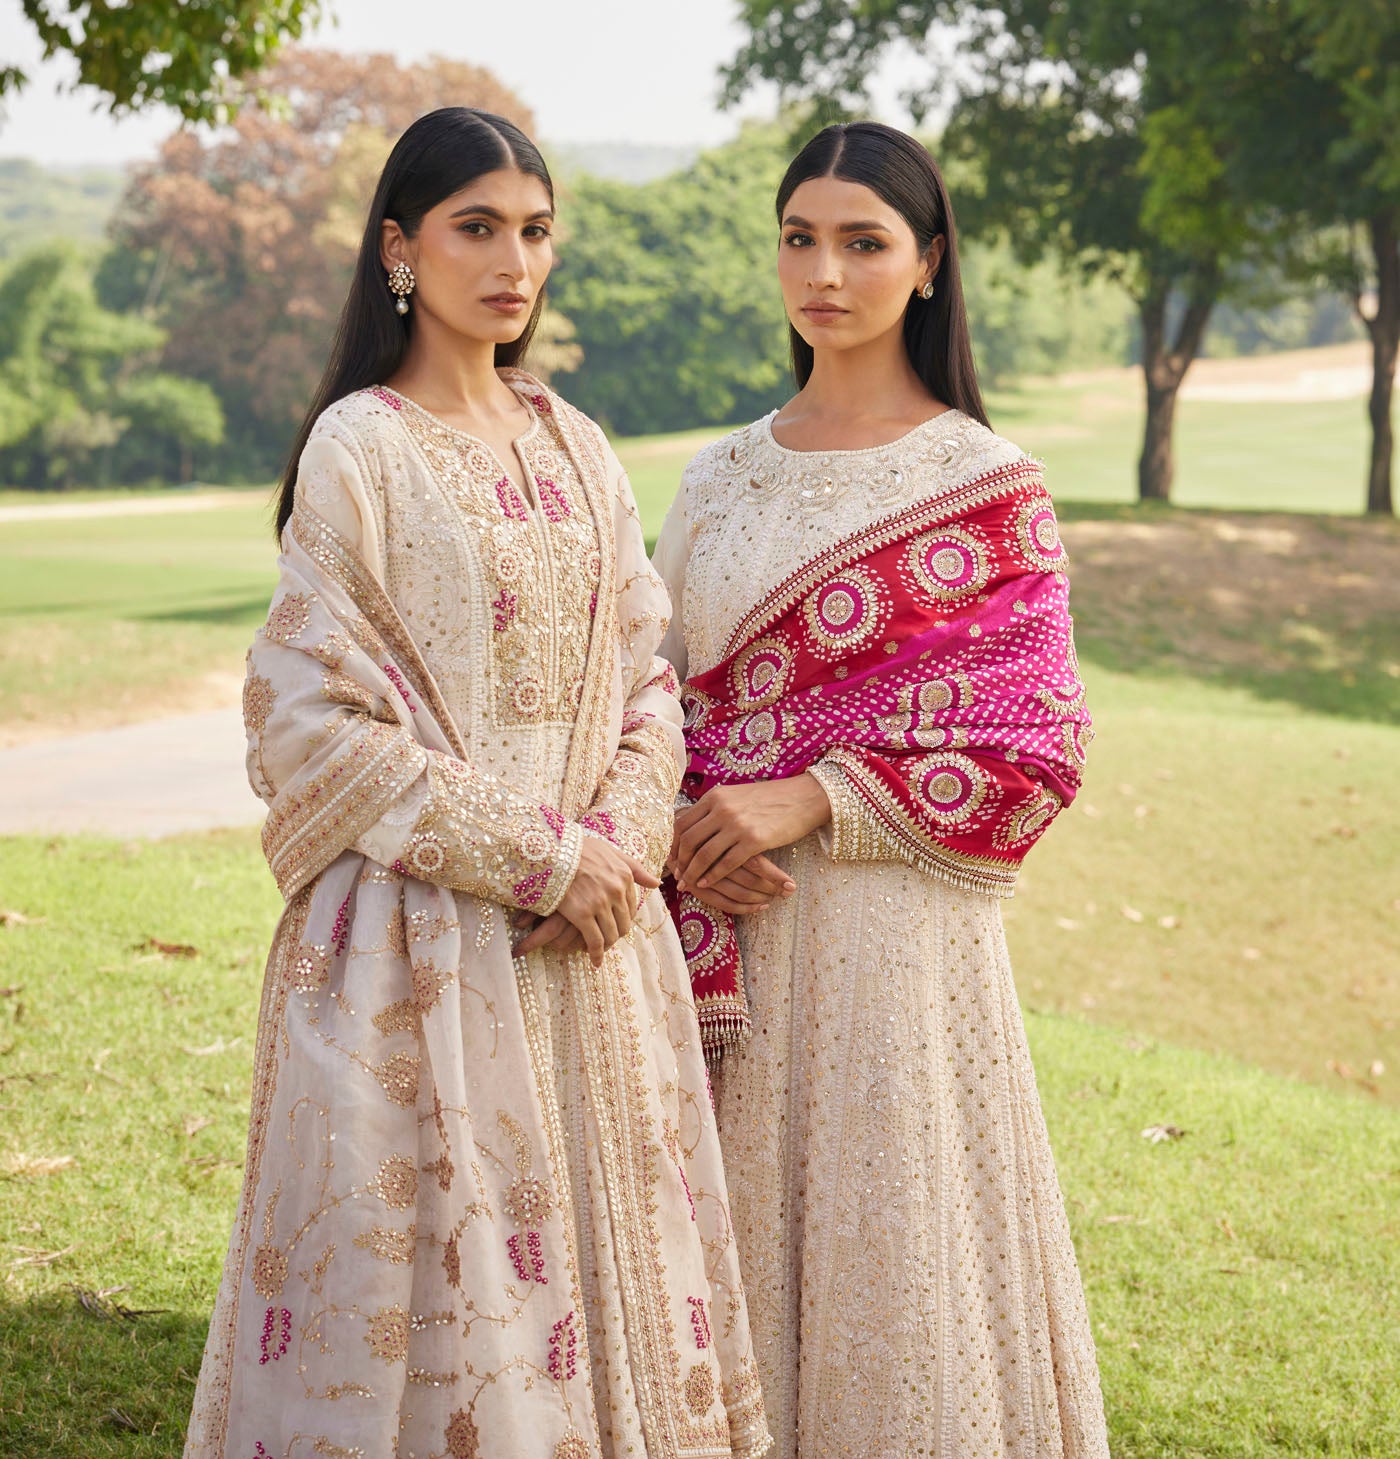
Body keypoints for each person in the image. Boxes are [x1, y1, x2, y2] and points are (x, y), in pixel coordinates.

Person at [186, 108, 769, 1459]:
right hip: (421, 948)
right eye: (478, 228)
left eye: (536, 231)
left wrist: (618, 848)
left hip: (597, 946)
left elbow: (647, 674)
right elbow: (308, 720)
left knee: (612, 1293)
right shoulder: (360, 447)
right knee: (439, 1310)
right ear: (400, 247)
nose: (515, 262)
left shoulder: (579, 444)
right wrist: (540, 859)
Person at [653, 121, 1109, 1459]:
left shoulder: (984, 483)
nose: (825, 273)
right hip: (730, 932)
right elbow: (656, 700)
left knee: (894, 1264)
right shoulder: (717, 477)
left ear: (929, 262)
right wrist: (681, 825)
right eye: (800, 239)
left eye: (863, 243)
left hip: (896, 946)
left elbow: (1037, 744)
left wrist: (809, 796)